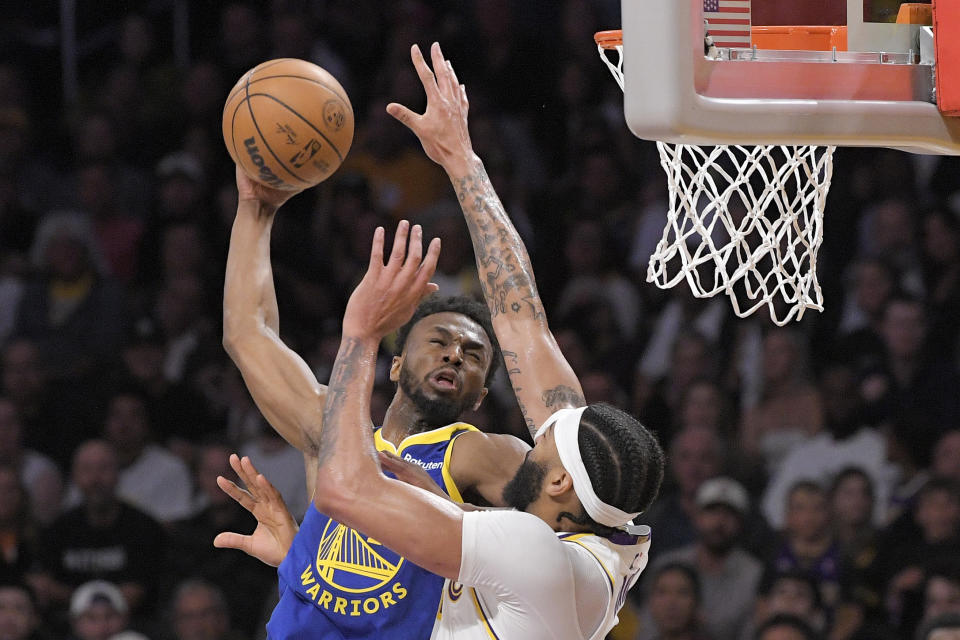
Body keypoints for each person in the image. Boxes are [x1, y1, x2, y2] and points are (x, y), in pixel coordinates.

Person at [221, 65, 527, 640]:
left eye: (473, 354)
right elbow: (248, 333)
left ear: (482, 395)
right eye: (438, 340)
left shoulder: (484, 454)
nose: (455, 353)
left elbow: (563, 547)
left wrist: (455, 517)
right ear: (393, 364)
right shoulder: (333, 438)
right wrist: (256, 210)